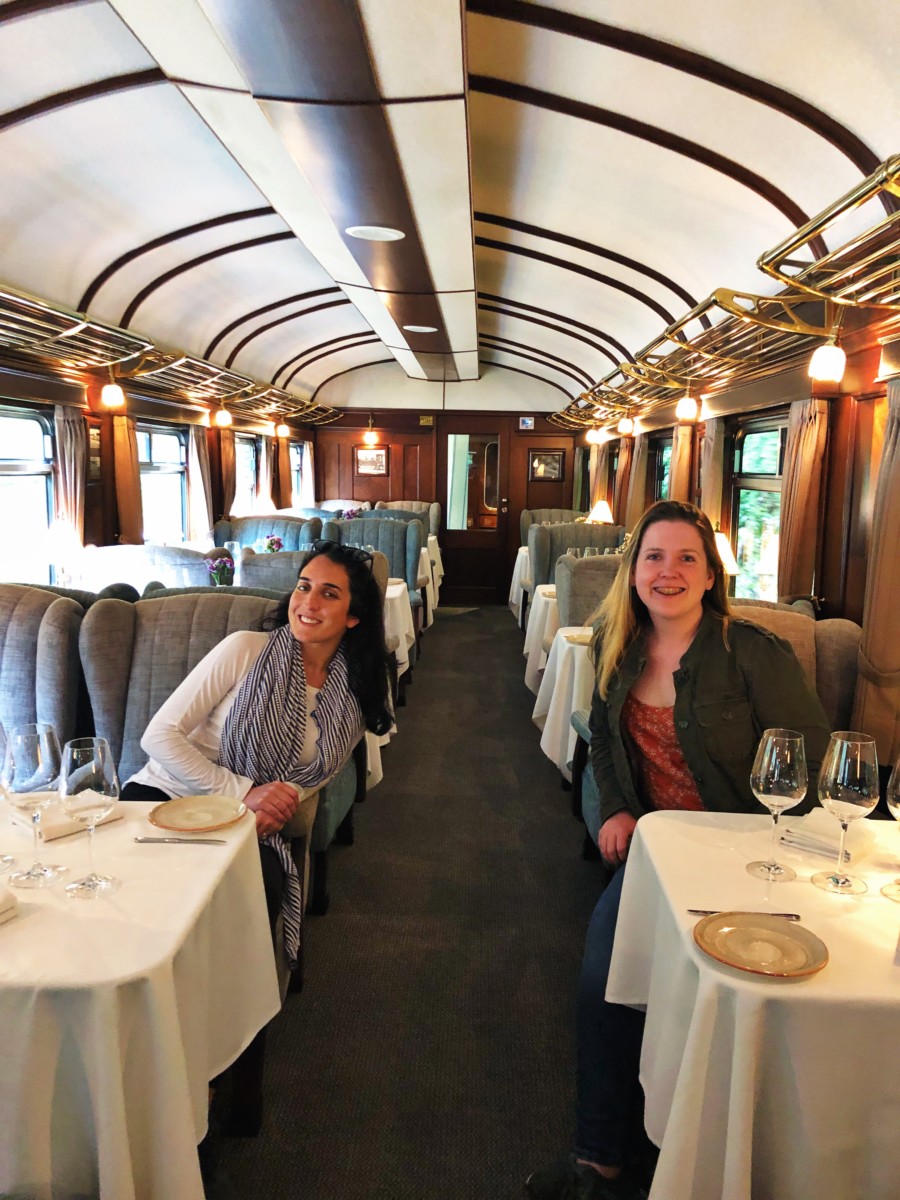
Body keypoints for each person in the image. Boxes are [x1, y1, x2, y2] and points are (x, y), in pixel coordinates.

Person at [526, 501, 831, 1200]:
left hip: (752, 857)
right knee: (602, 983)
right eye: (653, 557)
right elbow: (602, 735)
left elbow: (810, 766)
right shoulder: (614, 643)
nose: (669, 572)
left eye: (686, 557)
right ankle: (600, 1161)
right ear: (632, 573)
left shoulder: (752, 652)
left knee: (734, 997)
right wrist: (620, 809)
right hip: (658, 857)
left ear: (709, 573)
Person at [121, 540, 392, 1134]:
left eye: (329, 592)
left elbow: (306, 781)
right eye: (302, 585)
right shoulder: (245, 651)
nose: (308, 602)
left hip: (251, 829)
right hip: (164, 797)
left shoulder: (351, 695)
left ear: (354, 616)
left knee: (249, 902)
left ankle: (221, 1069)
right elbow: (159, 737)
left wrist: (269, 801)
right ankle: (136, 1055)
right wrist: (240, 789)